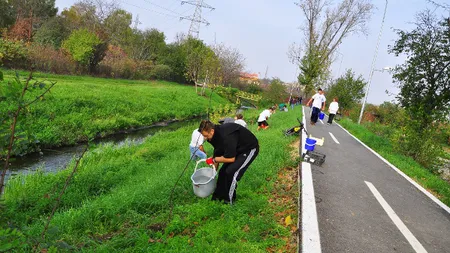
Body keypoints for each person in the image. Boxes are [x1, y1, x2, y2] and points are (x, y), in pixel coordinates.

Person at [199, 120, 259, 204]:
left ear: (212, 131)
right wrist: (213, 173)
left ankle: (229, 201)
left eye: (205, 136)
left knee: (231, 172)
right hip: (235, 150)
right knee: (222, 172)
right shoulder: (213, 137)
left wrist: (214, 159)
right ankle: (218, 197)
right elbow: (217, 153)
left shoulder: (226, 136)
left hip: (248, 149)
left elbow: (231, 159)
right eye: (203, 136)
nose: (205, 138)